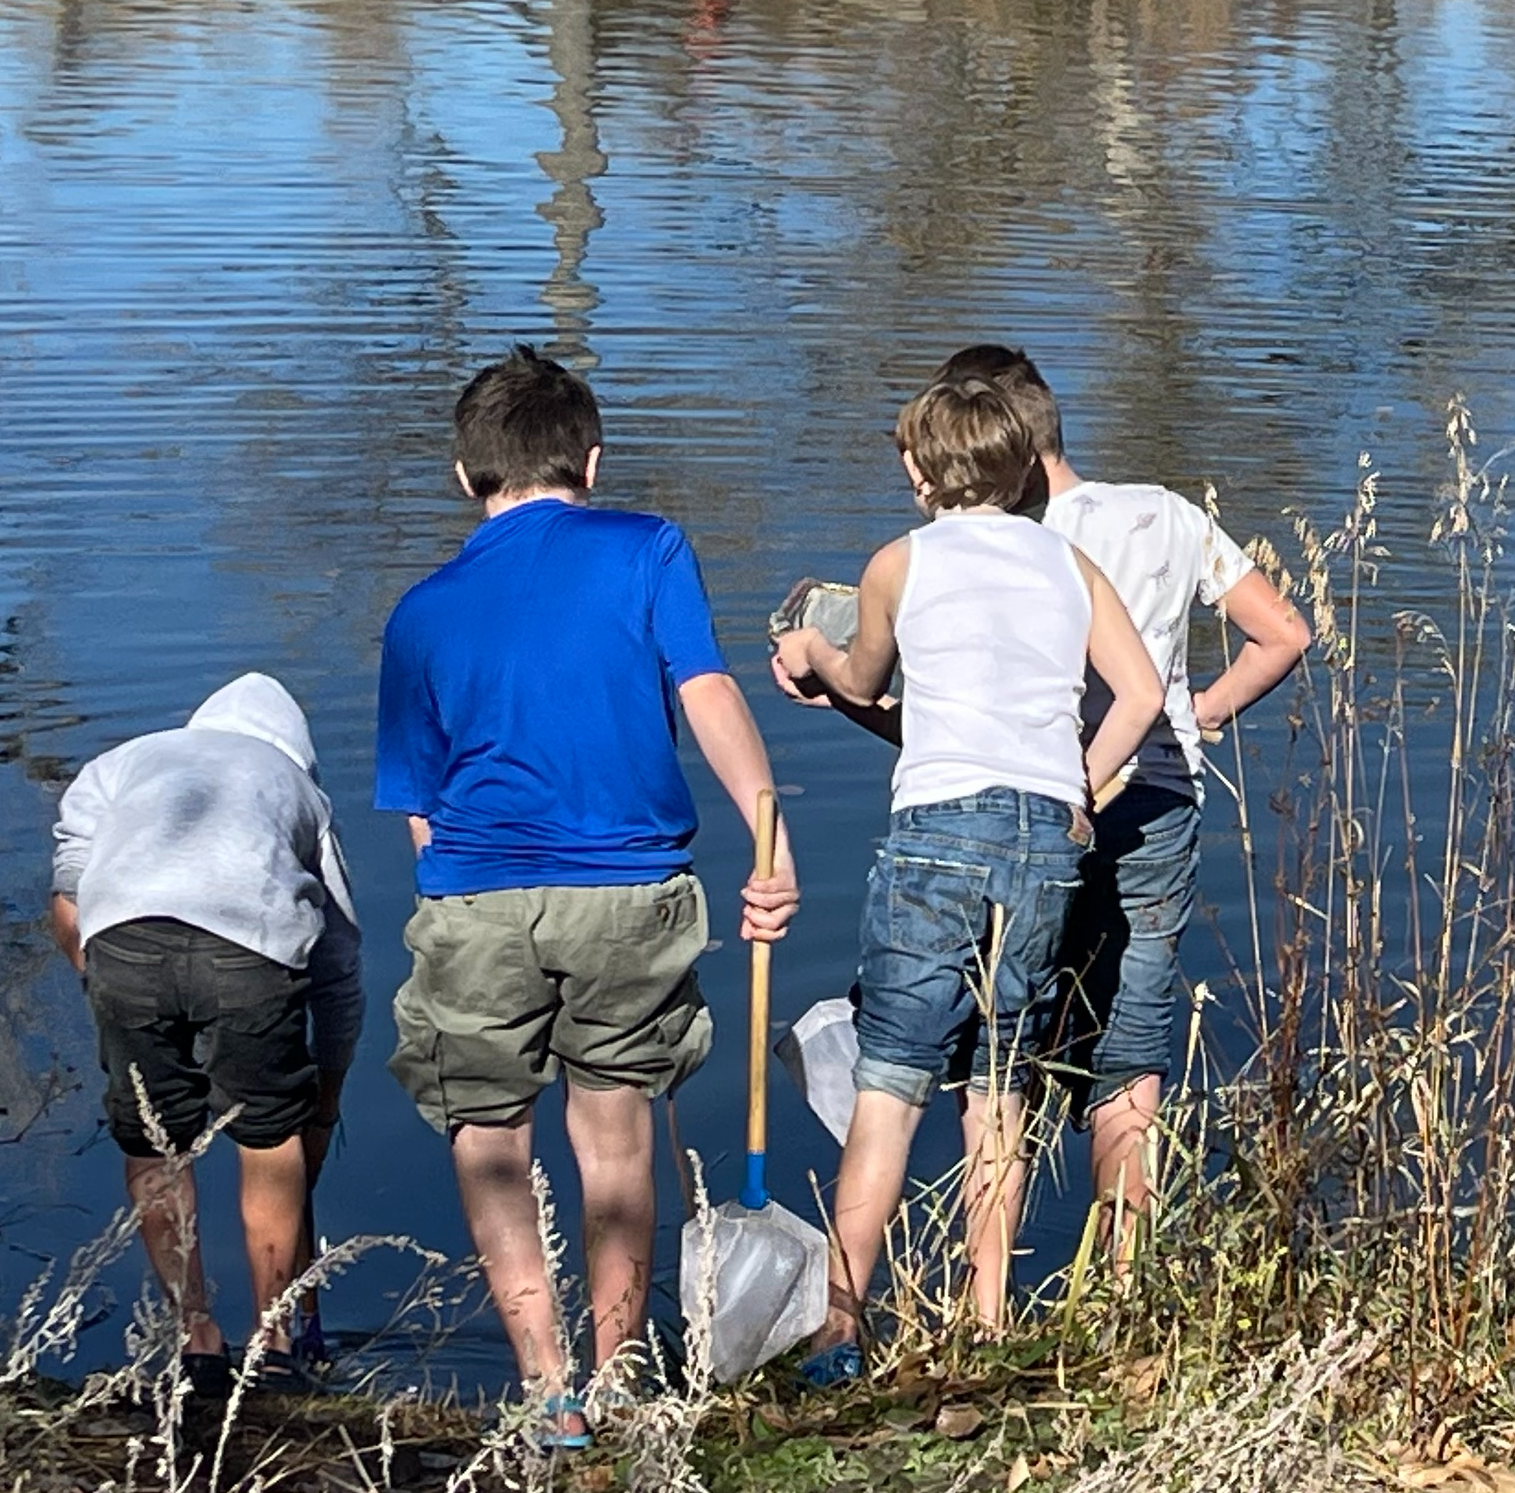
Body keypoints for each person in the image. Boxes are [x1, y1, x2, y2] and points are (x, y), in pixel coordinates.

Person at [773, 344, 1311, 1265]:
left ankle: (881, 1300)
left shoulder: (977, 546)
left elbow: (962, 742)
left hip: (1013, 814)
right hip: (1150, 803)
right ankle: (1115, 1286)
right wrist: (1199, 714)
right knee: (1129, 1045)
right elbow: (1285, 632)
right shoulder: (1166, 515)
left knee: (976, 1044)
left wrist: (836, 687)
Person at [375, 346, 798, 1446]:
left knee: (489, 1136)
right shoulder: (649, 547)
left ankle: (544, 1383)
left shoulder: (421, 610)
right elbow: (705, 692)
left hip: (474, 896)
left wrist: (478, 883)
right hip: (629, 891)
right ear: (591, 460)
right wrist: (768, 829)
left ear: (468, 476)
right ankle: (617, 1379)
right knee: (614, 1144)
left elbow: (419, 806)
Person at [770, 374, 1161, 1384]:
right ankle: (985, 1322)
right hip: (1041, 841)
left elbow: (861, 682)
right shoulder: (1070, 562)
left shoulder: (900, 560)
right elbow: (1144, 692)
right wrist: (1078, 784)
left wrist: (813, 649)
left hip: (936, 829)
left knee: (891, 1082)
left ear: (918, 471)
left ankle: (841, 1327)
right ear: (1024, 465)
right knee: (1001, 1083)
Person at [49, 672, 361, 1396]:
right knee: (267, 1138)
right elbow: (339, 963)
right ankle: (276, 1343)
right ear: (297, 750)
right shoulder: (297, 787)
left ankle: (197, 1337)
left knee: (154, 1139)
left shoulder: (121, 763)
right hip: (251, 943)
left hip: (122, 938)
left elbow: (69, 899)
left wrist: (107, 988)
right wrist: (329, 1085)